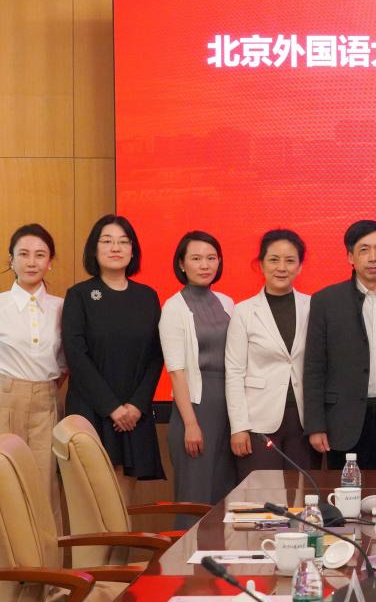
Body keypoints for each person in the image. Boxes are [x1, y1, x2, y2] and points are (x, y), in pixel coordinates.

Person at [0, 223, 65, 521]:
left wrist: (46, 391)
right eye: (23, 254)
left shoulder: (62, 307)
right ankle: (3, 554)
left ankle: (47, 554)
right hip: (3, 399)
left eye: (40, 255)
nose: (32, 262)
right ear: (11, 260)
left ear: (50, 262)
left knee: (45, 489)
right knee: (1, 486)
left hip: (46, 401)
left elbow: (65, 363)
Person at [303, 220, 376, 470]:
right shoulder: (326, 301)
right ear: (350, 257)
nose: (373, 258)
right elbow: (314, 367)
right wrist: (316, 425)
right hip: (343, 421)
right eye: (364, 250)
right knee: (347, 492)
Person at [63, 215, 165, 503]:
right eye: (107, 241)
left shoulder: (147, 296)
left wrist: (135, 406)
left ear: (133, 250)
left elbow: (156, 356)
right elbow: (76, 356)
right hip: (93, 409)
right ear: (94, 249)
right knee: (93, 503)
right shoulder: (80, 295)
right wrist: (112, 408)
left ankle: (122, 539)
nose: (115, 248)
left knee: (123, 504)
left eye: (123, 242)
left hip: (134, 414)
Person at [225, 229, 318, 481]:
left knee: (302, 494)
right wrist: (238, 427)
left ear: (300, 266)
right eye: (274, 259)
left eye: (290, 261)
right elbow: (234, 372)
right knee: (262, 495)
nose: (281, 268)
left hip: (303, 422)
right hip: (258, 421)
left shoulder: (313, 306)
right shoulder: (244, 311)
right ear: (261, 264)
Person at [159, 231, 235, 526]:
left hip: (229, 409)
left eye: (211, 258)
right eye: (196, 258)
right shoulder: (173, 307)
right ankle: (188, 556)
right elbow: (176, 371)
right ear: (181, 264)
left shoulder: (227, 303)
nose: (205, 265)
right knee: (195, 500)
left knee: (225, 497)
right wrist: (191, 423)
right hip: (195, 410)